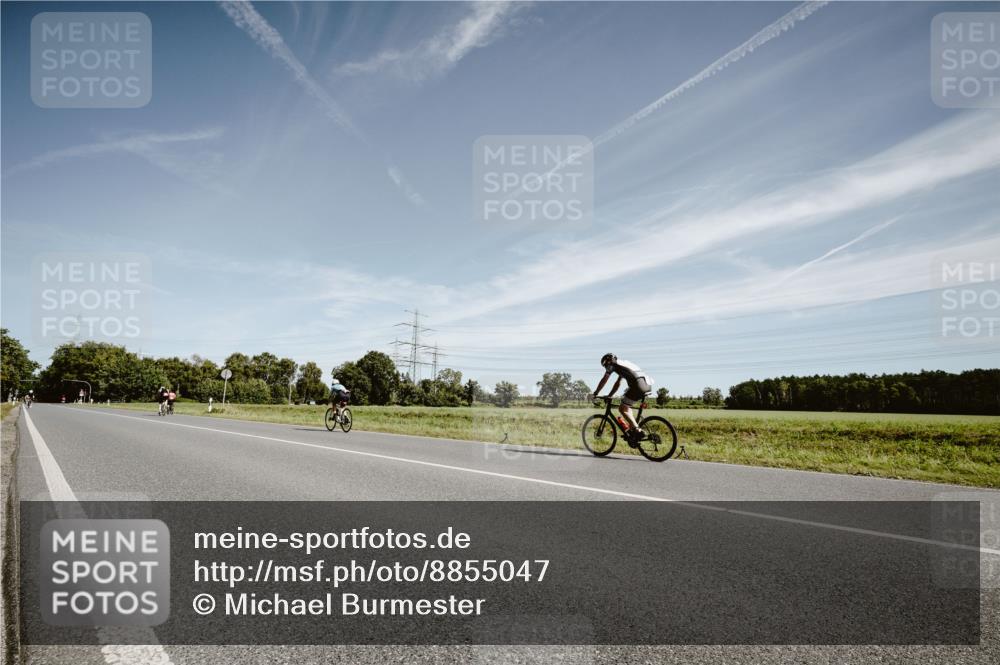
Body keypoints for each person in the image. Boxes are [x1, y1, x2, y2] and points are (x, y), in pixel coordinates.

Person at [591, 353, 653, 441]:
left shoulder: (613, 365)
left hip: (638, 385)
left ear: (608, 362)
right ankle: (633, 430)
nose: (607, 368)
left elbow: (604, 379)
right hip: (647, 384)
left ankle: (637, 430)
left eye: (606, 366)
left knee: (622, 408)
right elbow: (617, 383)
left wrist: (595, 393)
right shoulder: (622, 364)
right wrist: (610, 395)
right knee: (627, 407)